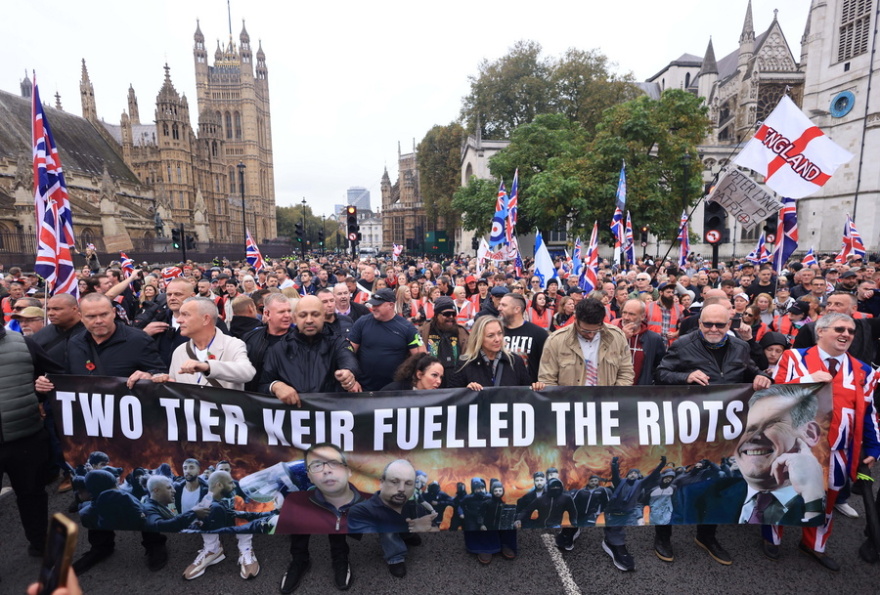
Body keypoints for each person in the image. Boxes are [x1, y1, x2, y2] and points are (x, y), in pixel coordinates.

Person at [655, 303, 772, 566]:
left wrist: (761, 377)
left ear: (729, 325)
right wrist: (685, 376)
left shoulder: (740, 347)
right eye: (708, 324)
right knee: (674, 481)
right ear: (699, 324)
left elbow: (750, 369)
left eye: (720, 325)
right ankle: (663, 536)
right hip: (688, 429)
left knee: (717, 482)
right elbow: (660, 374)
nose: (713, 329)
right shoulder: (682, 345)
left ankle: (706, 535)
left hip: (725, 432)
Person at [767, 312, 880, 570]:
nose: (846, 335)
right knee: (784, 493)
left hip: (837, 450)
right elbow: (774, 394)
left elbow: (869, 412)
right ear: (821, 331)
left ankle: (814, 545)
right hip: (794, 446)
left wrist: (874, 448)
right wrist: (806, 380)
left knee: (826, 501)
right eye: (840, 329)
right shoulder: (794, 357)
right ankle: (773, 538)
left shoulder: (863, 371)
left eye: (851, 331)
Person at [538, 298, 635, 569]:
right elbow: (547, 380)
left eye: (596, 329)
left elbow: (626, 373)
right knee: (574, 477)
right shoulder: (556, 341)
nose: (591, 334)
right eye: (586, 330)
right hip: (571, 421)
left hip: (609, 419)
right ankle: (571, 525)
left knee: (615, 478)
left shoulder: (615, 337)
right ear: (575, 319)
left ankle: (615, 539)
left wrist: (613, 400)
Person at [276, 443, 370, 593]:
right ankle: (300, 559)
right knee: (301, 505)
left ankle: (340, 557)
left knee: (335, 500)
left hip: (330, 427)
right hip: (302, 431)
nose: (326, 470)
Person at [260, 295, 362, 402]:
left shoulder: (338, 342)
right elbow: (262, 385)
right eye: (303, 315)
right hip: (293, 415)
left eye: (315, 314)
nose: (309, 320)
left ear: (323, 316)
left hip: (328, 414)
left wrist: (348, 372)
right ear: (295, 318)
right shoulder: (279, 348)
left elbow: (348, 358)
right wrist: (275, 386)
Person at [347, 459, 437, 578]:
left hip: (408, 511)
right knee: (389, 530)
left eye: (409, 483)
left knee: (409, 521)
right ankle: (395, 557)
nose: (401, 488)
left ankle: (406, 536)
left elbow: (422, 502)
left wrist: (431, 511)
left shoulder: (415, 492)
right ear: (382, 482)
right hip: (387, 509)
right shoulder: (367, 507)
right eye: (394, 482)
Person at [349, 288, 425, 391]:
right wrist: (352, 380)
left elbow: (421, 358)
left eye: (377, 305)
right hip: (365, 388)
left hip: (395, 390)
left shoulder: (407, 327)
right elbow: (348, 352)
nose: (373, 308)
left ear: (391, 305)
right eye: (373, 304)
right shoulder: (362, 322)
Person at [242, 293, 292, 392]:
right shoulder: (249, 338)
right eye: (281, 312)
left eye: (289, 311)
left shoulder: (301, 340)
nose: (287, 315)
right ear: (267, 314)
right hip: (255, 401)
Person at [612, 299, 666, 386]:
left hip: (642, 394)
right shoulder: (610, 334)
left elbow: (660, 367)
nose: (626, 317)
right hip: (613, 392)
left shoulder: (654, 339)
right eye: (624, 312)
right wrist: (621, 338)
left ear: (642, 316)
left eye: (631, 314)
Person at [418, 297, 469, 386]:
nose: (451, 317)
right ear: (437, 314)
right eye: (447, 314)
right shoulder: (424, 332)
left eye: (453, 314)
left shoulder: (461, 333)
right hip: (431, 383)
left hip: (456, 382)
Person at [498, 293, 548, 383]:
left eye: (504, 305)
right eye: (500, 304)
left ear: (517, 309)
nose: (499, 308)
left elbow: (547, 366)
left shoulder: (538, 334)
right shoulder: (496, 333)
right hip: (500, 390)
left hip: (527, 391)